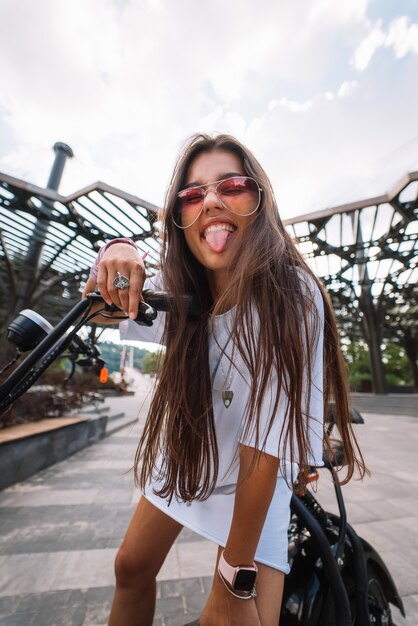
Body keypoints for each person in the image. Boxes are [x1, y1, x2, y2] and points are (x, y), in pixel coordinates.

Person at [83, 133, 366, 626]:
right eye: (191, 195)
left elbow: (264, 442)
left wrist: (234, 578)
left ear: (259, 200)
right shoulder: (178, 288)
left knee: (234, 617)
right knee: (129, 567)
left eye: (231, 185)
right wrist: (117, 248)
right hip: (193, 449)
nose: (210, 200)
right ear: (181, 219)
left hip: (258, 468)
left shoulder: (291, 291)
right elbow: (101, 306)